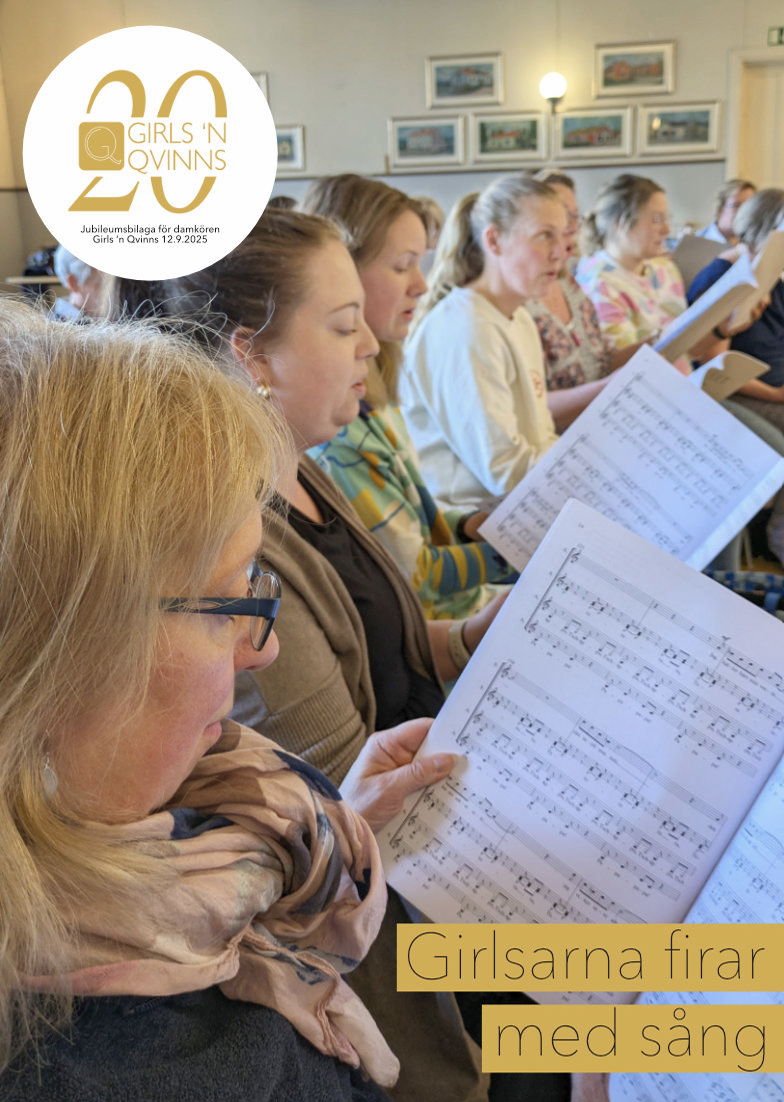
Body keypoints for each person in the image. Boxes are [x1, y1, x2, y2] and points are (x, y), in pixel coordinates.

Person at [136, 209, 552, 1102]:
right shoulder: (237, 529)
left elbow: (390, 645)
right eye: (341, 324)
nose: (371, 342)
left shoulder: (307, 464)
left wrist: (469, 637)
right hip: (386, 900)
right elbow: (342, 791)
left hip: (412, 837)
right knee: (605, 1002)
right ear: (252, 355)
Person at [0, 297, 400, 1102]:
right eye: (226, 604)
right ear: (47, 665)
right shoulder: (143, 1064)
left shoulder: (160, 814)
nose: (262, 648)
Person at [301, 173, 514, 620]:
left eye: (421, 263)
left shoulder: (374, 392)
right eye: (403, 266)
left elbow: (413, 515)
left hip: (455, 614)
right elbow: (413, 575)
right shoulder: (337, 430)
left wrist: (467, 524)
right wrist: (520, 551)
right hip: (433, 631)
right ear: (346, 275)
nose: (421, 284)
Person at [576, 173, 784, 567]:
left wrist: (725, 327)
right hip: (645, 405)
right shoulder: (597, 281)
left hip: (688, 391)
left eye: (666, 218)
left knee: (741, 469)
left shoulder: (662, 270)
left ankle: (722, 578)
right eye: (656, 219)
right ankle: (718, 574)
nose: (666, 229)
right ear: (621, 222)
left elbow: (691, 350)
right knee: (744, 461)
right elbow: (614, 367)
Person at [401, 174, 564, 511]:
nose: (560, 253)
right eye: (545, 235)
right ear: (494, 240)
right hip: (469, 521)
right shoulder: (465, 327)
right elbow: (505, 470)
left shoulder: (519, 317)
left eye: (564, 236)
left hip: (522, 505)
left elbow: (541, 436)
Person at [526, 169, 645, 431]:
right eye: (560, 216)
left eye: (573, 216)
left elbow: (600, 365)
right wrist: (606, 388)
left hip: (599, 424)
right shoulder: (521, 300)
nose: (570, 227)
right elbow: (529, 409)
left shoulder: (570, 286)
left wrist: (657, 345)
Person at [687, 187, 784, 433]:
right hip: (745, 396)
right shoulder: (723, 278)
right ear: (769, 231)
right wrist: (775, 393)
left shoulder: (772, 278)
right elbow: (714, 369)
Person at [52, 245, 109, 320]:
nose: (110, 294)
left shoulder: (97, 319)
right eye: (99, 286)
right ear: (73, 283)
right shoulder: (57, 324)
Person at [696, 177, 756, 245]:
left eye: (749, 206)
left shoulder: (755, 243)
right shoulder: (696, 243)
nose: (744, 212)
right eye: (736, 205)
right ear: (719, 209)